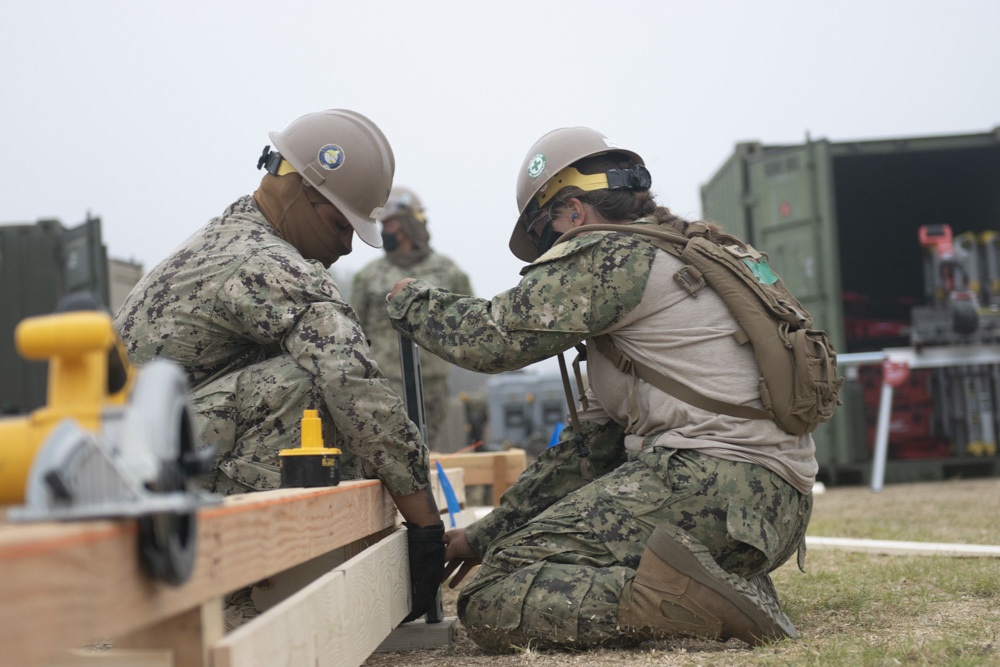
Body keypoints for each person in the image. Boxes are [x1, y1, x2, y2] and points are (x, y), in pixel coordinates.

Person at [385, 127, 818, 651]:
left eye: (548, 235)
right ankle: (723, 585)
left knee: (494, 593)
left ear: (574, 211)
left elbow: (492, 340)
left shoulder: (612, 254)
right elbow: (585, 455)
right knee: (516, 558)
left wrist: (411, 303)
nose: (551, 258)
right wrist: (485, 535)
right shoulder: (685, 254)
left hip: (713, 482)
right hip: (773, 508)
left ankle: (699, 602)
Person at [114, 109, 444, 628]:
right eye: (340, 224)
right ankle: (230, 594)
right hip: (146, 486)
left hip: (145, 466)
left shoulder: (234, 235)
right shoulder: (263, 262)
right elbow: (350, 378)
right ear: (294, 190)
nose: (346, 244)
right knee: (311, 381)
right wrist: (425, 524)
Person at [351, 187, 473, 450]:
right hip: (386, 387)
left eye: (390, 224)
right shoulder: (369, 276)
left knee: (426, 453)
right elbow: (353, 332)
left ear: (409, 224)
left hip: (433, 387)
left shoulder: (447, 271)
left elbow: (470, 324)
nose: (385, 231)